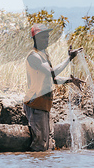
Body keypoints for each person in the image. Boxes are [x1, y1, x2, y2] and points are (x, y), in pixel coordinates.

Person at [23, 23, 84, 151]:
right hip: (35, 105)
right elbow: (52, 72)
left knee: (47, 143)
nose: (47, 40)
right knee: (39, 144)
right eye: (44, 37)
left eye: (47, 37)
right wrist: (69, 59)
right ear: (37, 38)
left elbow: (53, 79)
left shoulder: (44, 56)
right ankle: (35, 166)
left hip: (44, 105)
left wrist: (69, 80)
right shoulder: (34, 56)